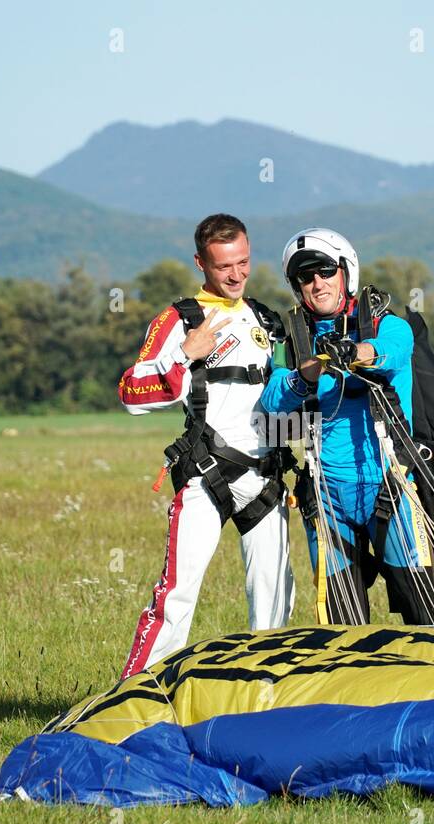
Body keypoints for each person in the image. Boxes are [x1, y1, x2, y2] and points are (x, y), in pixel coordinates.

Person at [117, 213, 295, 678]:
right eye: (223, 267)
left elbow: (279, 398)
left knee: (274, 600)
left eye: (244, 262)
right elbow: (131, 393)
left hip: (265, 479)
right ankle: (134, 700)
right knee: (176, 594)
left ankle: (264, 698)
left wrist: (305, 442)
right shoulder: (180, 319)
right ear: (201, 263)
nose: (236, 275)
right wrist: (184, 354)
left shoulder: (265, 320)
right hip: (206, 473)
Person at [261, 227, 434, 626]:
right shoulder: (293, 341)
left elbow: (395, 352)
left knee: (425, 613)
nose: (317, 283)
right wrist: (304, 375)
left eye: (326, 271)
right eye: (306, 278)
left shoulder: (386, 324)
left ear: (346, 271)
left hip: (391, 488)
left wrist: (359, 352)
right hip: (327, 499)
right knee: (343, 627)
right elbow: (273, 400)